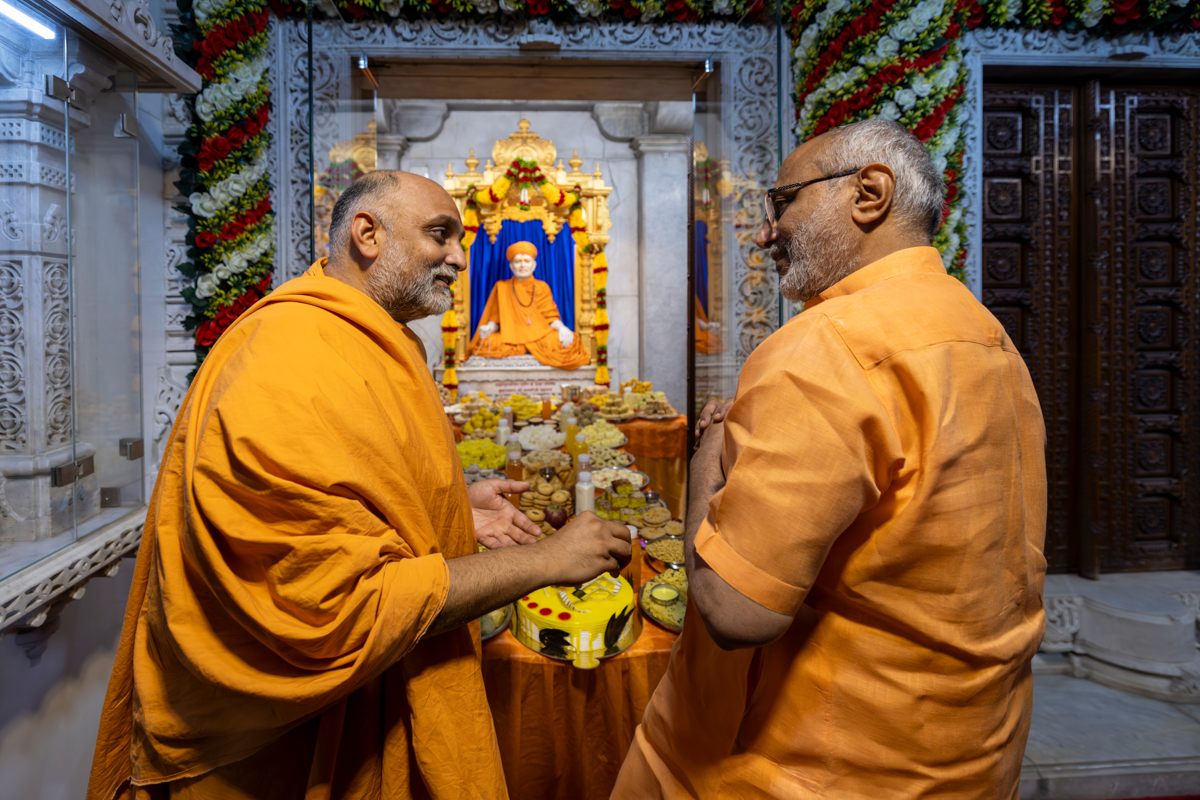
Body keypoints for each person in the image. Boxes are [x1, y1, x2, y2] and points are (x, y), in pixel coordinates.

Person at [86, 170, 632, 800]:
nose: (460, 256)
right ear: (367, 234)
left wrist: (451, 507)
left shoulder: (363, 339)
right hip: (270, 745)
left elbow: (358, 495)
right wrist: (546, 561)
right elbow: (340, 605)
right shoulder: (284, 362)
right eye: (440, 234)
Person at [613, 119, 1047, 798]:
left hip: (811, 764)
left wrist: (703, 466)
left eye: (782, 202)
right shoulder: (982, 330)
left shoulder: (826, 346)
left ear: (869, 193)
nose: (764, 233)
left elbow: (736, 614)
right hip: (966, 749)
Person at [467, 240, 591, 369]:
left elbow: (551, 317)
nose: (522, 265)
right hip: (511, 336)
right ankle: (526, 347)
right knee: (486, 342)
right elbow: (495, 320)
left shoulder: (542, 287)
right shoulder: (502, 287)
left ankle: (526, 346)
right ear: (511, 266)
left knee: (572, 341)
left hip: (539, 336)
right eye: (518, 261)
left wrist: (562, 328)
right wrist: (488, 329)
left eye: (526, 261)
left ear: (534, 265)